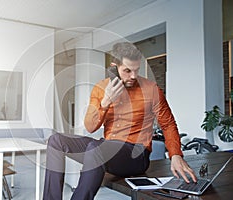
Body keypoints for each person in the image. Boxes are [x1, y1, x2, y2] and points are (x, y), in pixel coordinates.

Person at [43, 42, 197, 200]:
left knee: (96, 148)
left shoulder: (151, 89)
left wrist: (176, 154)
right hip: (105, 149)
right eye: (127, 70)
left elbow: (168, 124)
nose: (133, 76)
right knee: (56, 141)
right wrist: (105, 102)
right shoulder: (101, 88)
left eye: (136, 70)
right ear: (114, 66)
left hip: (136, 154)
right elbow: (90, 127)